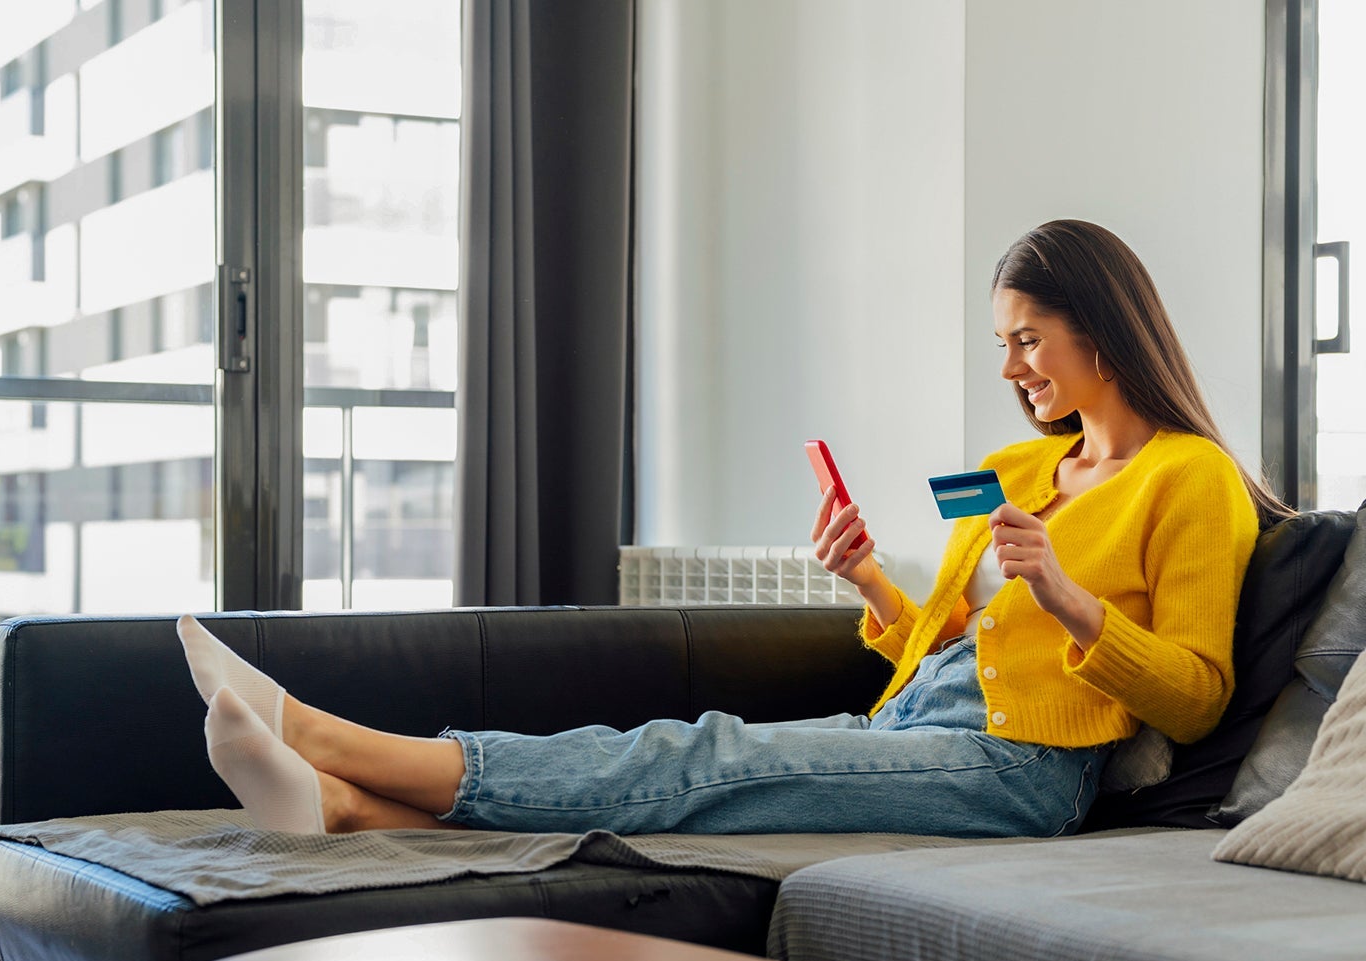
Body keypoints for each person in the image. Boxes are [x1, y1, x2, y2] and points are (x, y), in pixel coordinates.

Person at [178, 219, 1282, 839]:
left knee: (707, 750)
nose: (1010, 369)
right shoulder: (1019, 468)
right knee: (682, 750)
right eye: (1003, 342)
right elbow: (948, 654)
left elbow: (1196, 693)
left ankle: (331, 740)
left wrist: (1071, 600)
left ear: (1103, 327)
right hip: (919, 724)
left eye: (1028, 338)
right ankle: (348, 806)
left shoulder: (1192, 479)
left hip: (1023, 771)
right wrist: (871, 589)